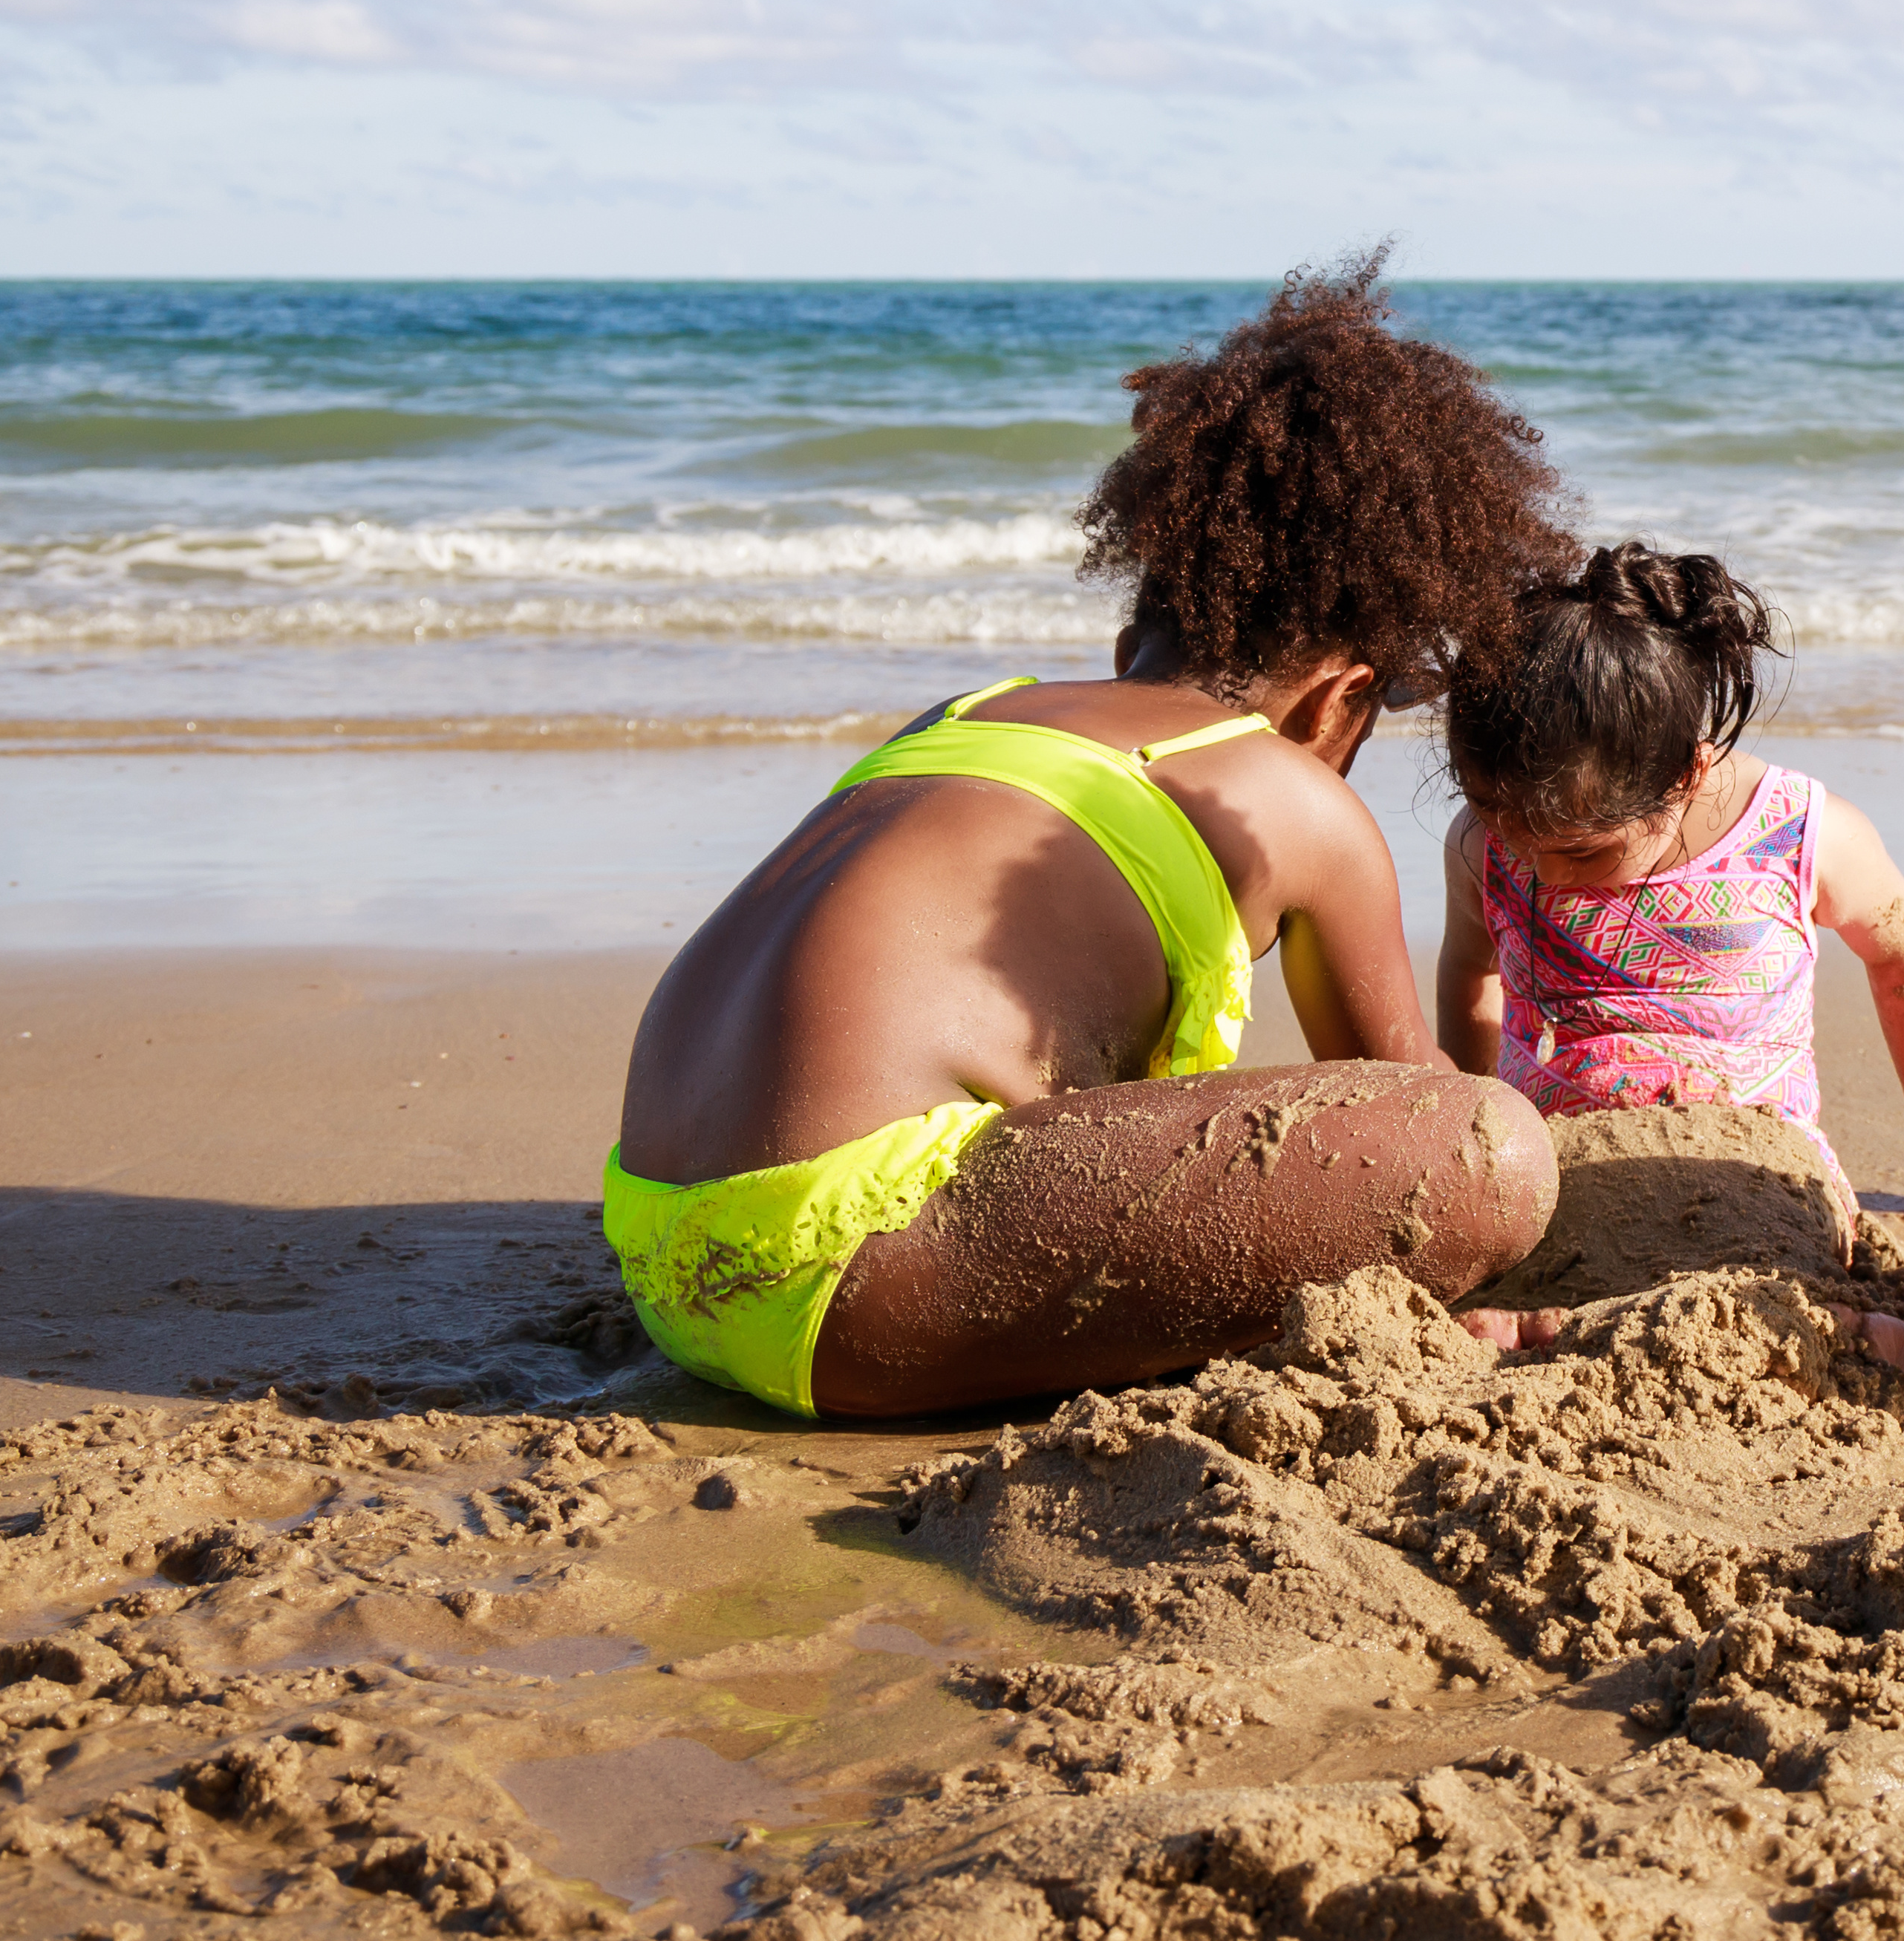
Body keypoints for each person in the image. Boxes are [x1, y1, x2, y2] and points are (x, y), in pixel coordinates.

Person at [604, 254, 1567, 1417]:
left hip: (660, 1245)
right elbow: (1412, 1102)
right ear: (1337, 700)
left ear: (1127, 648)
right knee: (1494, 1153)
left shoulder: (968, 714)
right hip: (854, 1294)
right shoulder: (1301, 799)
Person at [1433, 544, 1904, 1221]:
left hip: (1753, 1170)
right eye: (1504, 828)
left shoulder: (1799, 833)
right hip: (1551, 1171)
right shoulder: (1483, 842)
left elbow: (1902, 955)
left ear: (1685, 777)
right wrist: (1473, 1124)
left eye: (1582, 851)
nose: (1540, 870)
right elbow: (1467, 968)